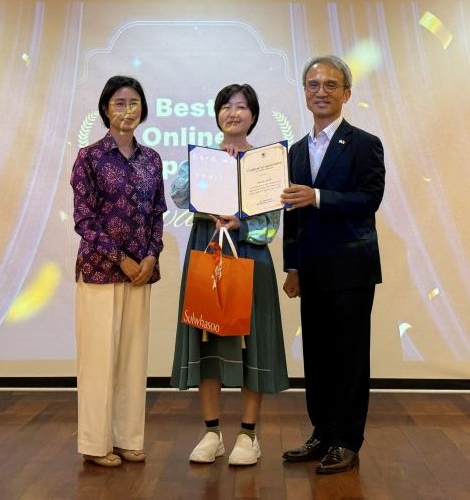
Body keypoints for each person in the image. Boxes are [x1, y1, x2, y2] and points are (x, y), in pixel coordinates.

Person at [170, 83, 289, 466]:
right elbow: (179, 195)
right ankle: (211, 433)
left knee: (252, 342)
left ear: (253, 115)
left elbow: (271, 223)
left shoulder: (266, 162)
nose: (232, 113)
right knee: (208, 340)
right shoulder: (204, 157)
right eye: (225, 106)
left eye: (241, 107)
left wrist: (243, 223)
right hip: (208, 249)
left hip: (250, 254)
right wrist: (210, 165)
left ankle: (248, 436)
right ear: (217, 114)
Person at [280, 55, 385, 475]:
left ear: (346, 93)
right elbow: (292, 214)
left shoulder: (364, 143)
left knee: (349, 359)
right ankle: (322, 433)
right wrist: (291, 267)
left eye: (330, 85)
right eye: (313, 84)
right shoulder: (295, 150)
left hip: (351, 270)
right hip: (311, 270)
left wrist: (319, 197)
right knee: (318, 357)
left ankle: (346, 441)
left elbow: (369, 199)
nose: (320, 92)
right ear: (305, 92)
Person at [70, 75, 166, 467]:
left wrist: (151, 256)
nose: (128, 110)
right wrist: (120, 258)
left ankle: (127, 439)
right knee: (98, 360)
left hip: (141, 273)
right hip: (100, 271)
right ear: (105, 109)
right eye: (119, 103)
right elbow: (84, 219)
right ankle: (96, 445)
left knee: (132, 359)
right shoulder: (89, 157)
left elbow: (157, 214)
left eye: (134, 102)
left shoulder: (151, 159)